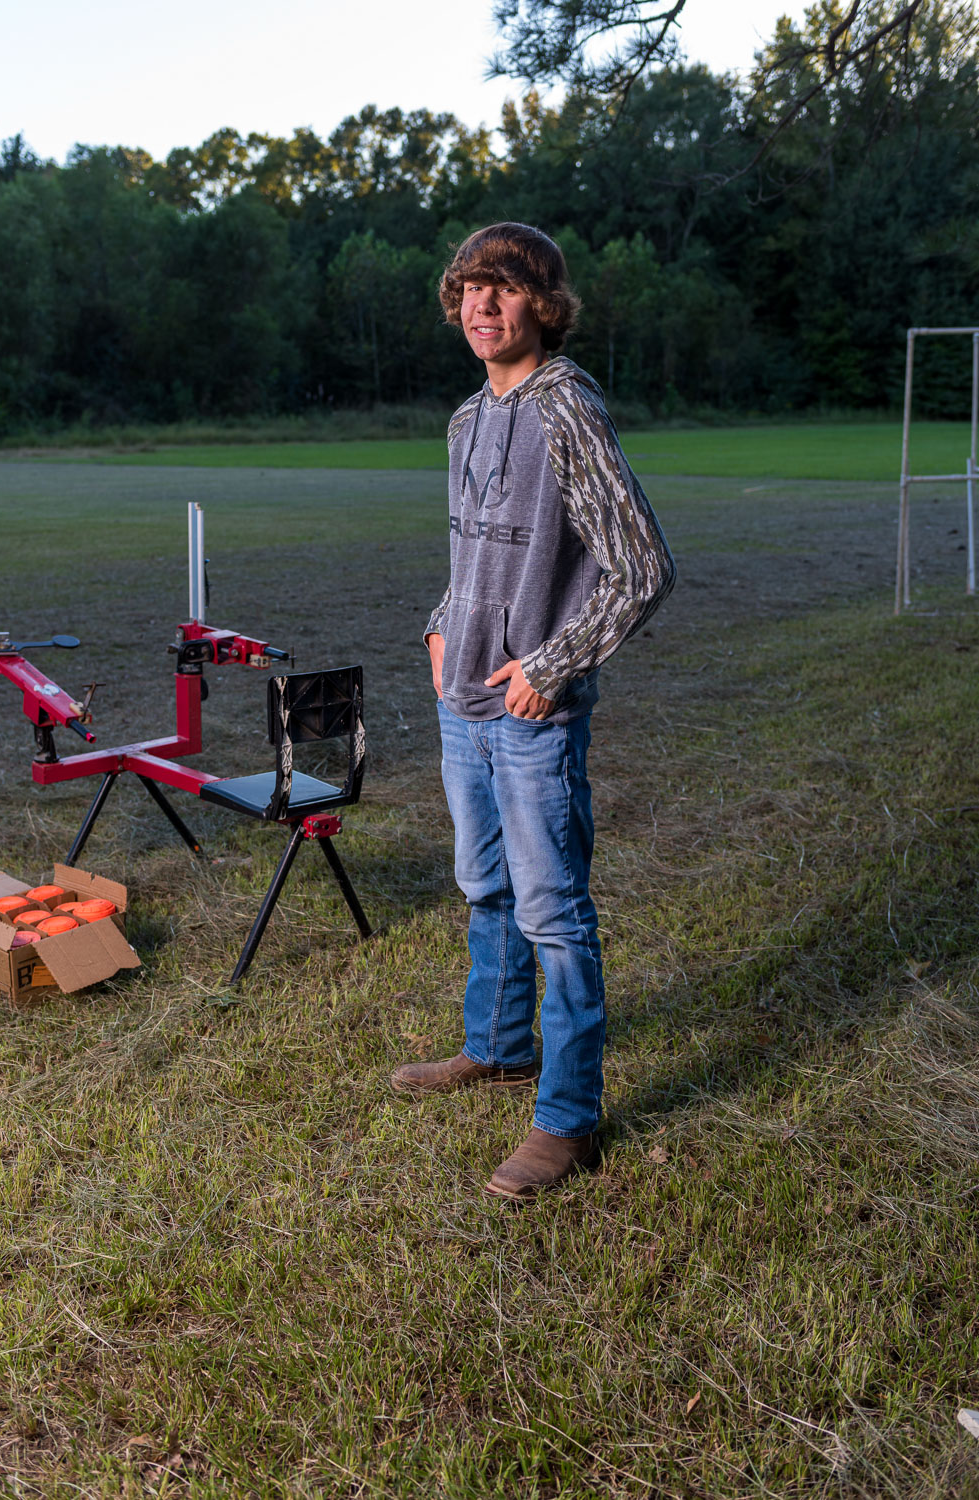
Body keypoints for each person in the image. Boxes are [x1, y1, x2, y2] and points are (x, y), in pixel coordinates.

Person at [391, 222, 676, 1199]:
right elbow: (477, 557)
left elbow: (639, 565)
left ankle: (567, 1117)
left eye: (501, 289)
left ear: (539, 303)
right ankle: (497, 1047)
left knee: (552, 913)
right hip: (459, 706)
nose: (480, 306)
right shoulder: (468, 420)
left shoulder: (565, 408)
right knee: (486, 888)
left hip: (529, 718)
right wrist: (437, 625)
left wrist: (550, 666)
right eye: (467, 289)